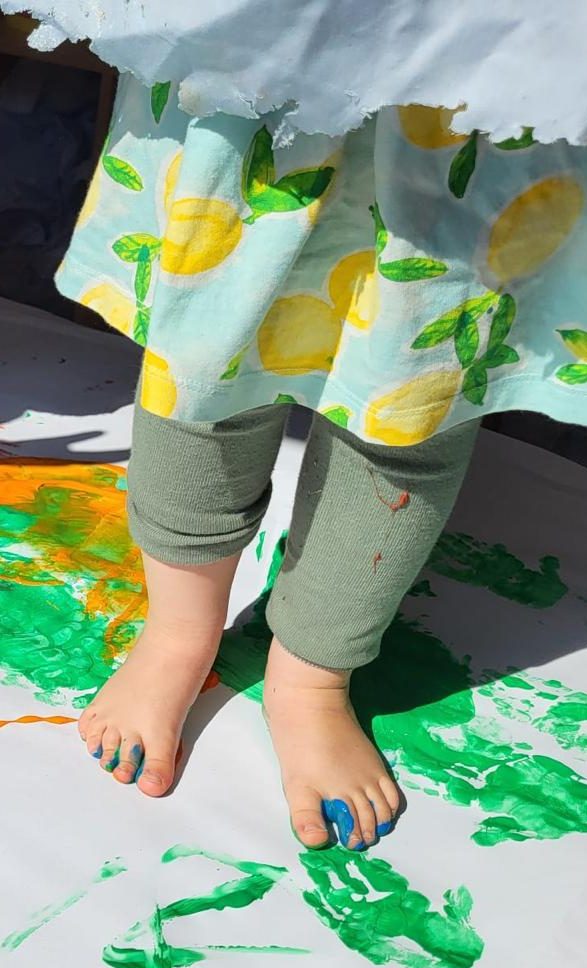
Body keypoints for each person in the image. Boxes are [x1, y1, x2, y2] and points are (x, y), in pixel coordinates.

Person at [57, 75, 587, 850]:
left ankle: (310, 677)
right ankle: (177, 633)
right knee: (207, 336)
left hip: (487, 83)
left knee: (419, 369)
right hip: (278, 60)